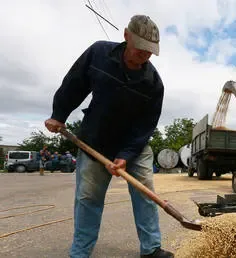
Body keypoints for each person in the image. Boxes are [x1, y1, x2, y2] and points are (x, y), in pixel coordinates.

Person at [44, 15, 173, 258]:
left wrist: (126, 155)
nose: (145, 56)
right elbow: (74, 83)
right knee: (88, 198)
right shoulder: (99, 54)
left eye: (150, 52)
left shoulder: (153, 83)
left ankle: (151, 249)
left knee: (145, 193)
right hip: (96, 140)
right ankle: (80, 253)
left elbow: (146, 125)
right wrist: (58, 115)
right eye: (141, 49)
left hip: (134, 146)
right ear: (126, 36)